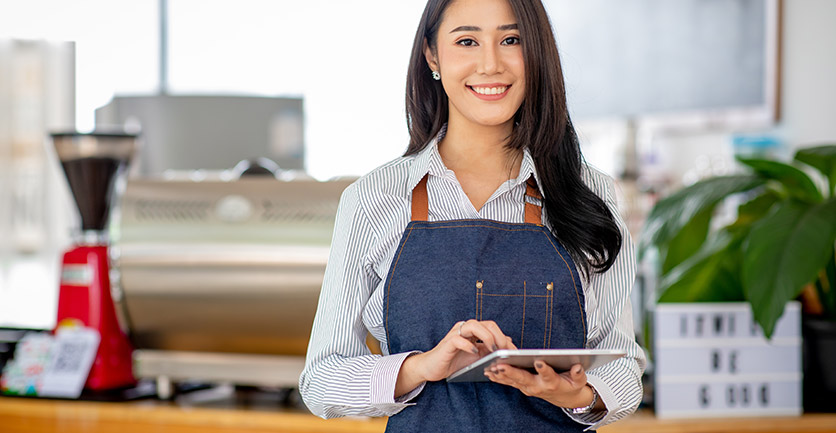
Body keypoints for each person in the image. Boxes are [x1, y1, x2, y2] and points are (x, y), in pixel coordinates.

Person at [299, 0, 646, 431]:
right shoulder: (372, 199)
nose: (490, 64)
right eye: (467, 40)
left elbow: (625, 365)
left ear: (536, 52)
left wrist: (580, 395)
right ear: (432, 55)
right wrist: (422, 367)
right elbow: (320, 380)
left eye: (511, 39)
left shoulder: (589, 194)